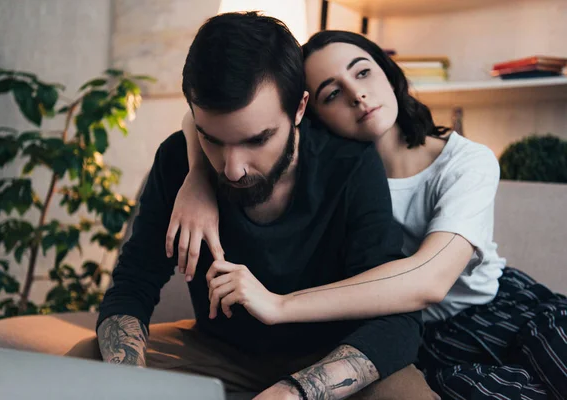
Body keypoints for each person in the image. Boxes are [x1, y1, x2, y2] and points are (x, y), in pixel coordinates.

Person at [170, 29, 567, 399]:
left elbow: (430, 281)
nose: (358, 95)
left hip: (497, 311)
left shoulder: (465, 162)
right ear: (304, 113)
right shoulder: (328, 175)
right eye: (332, 94)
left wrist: (281, 304)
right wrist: (198, 179)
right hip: (420, 338)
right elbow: (199, 118)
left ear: (389, 74)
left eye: (363, 72)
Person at [96, 13, 439, 400]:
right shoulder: (180, 161)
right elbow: (132, 285)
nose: (233, 169)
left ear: (299, 109)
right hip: (217, 355)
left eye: (257, 140)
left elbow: (397, 320)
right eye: (212, 139)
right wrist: (127, 381)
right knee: (85, 364)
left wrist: (297, 390)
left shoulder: (349, 164)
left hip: (332, 356)